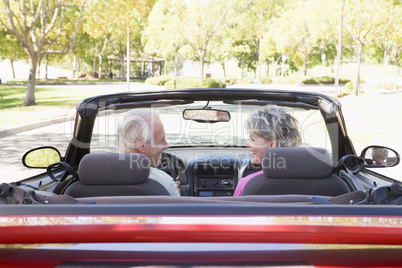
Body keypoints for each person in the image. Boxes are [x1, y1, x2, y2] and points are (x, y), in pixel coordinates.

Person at [233, 105, 302, 196]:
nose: (247, 144)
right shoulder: (318, 182)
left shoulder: (248, 184)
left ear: (272, 144)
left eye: (253, 139)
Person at [117, 108, 181, 196]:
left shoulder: (99, 175)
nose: (166, 145)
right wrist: (174, 192)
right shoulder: (165, 183)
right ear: (142, 145)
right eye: (161, 140)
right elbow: (177, 209)